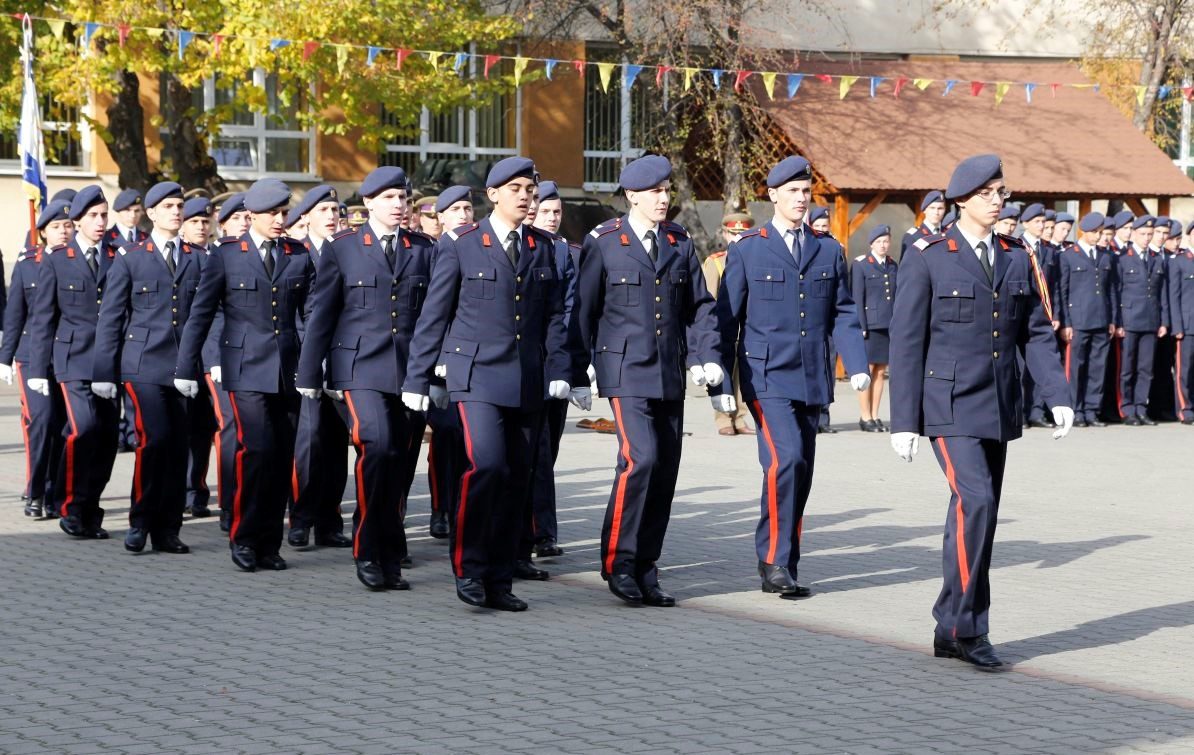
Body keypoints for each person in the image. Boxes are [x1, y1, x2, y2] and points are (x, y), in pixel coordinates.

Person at [889, 154, 1074, 670]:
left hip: (997, 404)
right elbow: (907, 342)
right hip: (946, 405)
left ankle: (950, 622)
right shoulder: (929, 254)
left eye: (1002, 192)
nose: (998, 201)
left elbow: (1035, 331)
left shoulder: (1017, 255)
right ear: (963, 201)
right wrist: (903, 420)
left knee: (975, 517)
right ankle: (970, 628)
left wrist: (1057, 394)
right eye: (989, 193)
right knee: (978, 502)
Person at [402, 157, 573, 611]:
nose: (524, 195)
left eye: (529, 188)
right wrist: (419, 375)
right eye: (514, 187)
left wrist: (561, 371)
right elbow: (435, 313)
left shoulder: (543, 247)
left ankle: (500, 578)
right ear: (492, 194)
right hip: (475, 376)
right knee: (488, 467)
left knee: (518, 478)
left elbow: (556, 317)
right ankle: (471, 568)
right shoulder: (462, 245)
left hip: (527, 380)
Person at [713, 155, 869, 598]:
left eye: (807, 192)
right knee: (788, 460)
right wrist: (721, 387)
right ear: (773, 195)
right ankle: (775, 561)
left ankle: (785, 560)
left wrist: (856, 364)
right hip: (765, 377)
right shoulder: (749, 249)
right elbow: (727, 322)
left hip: (812, 375)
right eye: (793, 192)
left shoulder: (828, 250)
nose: (802, 199)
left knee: (800, 471)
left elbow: (842, 311)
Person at [573, 155, 719, 608]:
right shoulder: (604, 242)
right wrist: (580, 369)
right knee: (641, 459)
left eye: (666, 190)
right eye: (654, 191)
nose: (663, 198)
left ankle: (646, 567)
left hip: (667, 372)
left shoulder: (677, 241)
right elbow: (583, 311)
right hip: (623, 371)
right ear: (632, 195)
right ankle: (619, 561)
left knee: (665, 469)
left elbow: (699, 307)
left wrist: (705, 355)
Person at [298, 168, 437, 590]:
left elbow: (435, 311)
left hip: (410, 370)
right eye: (390, 197)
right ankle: (368, 548)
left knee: (398, 460)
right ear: (369, 203)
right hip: (358, 368)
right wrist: (309, 371)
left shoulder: (423, 248)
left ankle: (390, 551)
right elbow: (323, 312)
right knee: (375, 447)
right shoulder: (344, 247)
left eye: (403, 197)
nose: (399, 205)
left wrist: (438, 369)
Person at [174, 178, 315, 572]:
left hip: (287, 369)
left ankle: (270, 543)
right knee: (256, 452)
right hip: (245, 368)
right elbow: (201, 314)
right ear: (251, 215)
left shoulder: (297, 253)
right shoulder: (226, 255)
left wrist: (317, 364)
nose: (280, 220)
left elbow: (313, 313)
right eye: (273, 213)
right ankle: (244, 536)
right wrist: (187, 366)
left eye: (284, 212)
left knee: (281, 456)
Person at [92, 181, 206, 555]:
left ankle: (167, 529)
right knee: (153, 440)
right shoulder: (130, 257)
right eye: (169, 206)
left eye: (180, 206)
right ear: (152, 213)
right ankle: (140, 521)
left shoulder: (198, 256)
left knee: (177, 447)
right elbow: (111, 318)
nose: (177, 212)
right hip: (141, 367)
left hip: (183, 368)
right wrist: (103, 373)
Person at [26, 186, 121, 539]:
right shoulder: (57, 259)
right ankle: (67, 506)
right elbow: (43, 317)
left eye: (104, 215)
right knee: (83, 429)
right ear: (77, 221)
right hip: (72, 360)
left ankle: (89, 509)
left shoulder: (117, 256)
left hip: (109, 361)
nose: (100, 222)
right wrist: (37, 369)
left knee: (108, 438)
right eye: (93, 216)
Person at [287, 185, 353, 552]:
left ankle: (329, 521)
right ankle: (301, 519)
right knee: (309, 443)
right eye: (324, 210)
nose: (331, 216)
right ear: (306, 216)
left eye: (335, 210)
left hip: (343, 359)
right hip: (307, 361)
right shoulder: (297, 254)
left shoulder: (348, 250)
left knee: (335, 445)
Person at [0, 199, 71, 519]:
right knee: (41, 421)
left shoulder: (80, 261)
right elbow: (15, 313)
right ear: (42, 232)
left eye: (68, 225)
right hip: (31, 355)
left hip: (68, 355)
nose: (63, 232)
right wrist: (5, 358)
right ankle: (36, 489)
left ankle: (57, 490)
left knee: (64, 424)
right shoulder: (29, 263)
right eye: (56, 227)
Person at [522, 180, 579, 567]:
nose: (552, 218)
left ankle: (538, 528)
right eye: (546, 211)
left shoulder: (566, 252)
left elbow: (574, 307)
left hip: (558, 363)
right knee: (534, 453)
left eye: (557, 212)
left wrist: (577, 363)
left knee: (549, 450)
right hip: (527, 365)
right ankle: (539, 533)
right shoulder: (523, 248)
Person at [423, 185, 474, 541]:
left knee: (468, 443)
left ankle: (461, 510)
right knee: (446, 437)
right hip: (441, 363)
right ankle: (441, 508)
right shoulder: (433, 250)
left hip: (471, 362)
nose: (463, 215)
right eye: (455, 209)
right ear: (440, 218)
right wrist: (434, 367)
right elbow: (433, 315)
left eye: (468, 208)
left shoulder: (478, 247)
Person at [1058, 212, 1117, 428]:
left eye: (1101, 232)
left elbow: (1111, 291)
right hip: (1079, 321)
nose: (1100, 236)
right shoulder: (1068, 255)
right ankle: (1075, 409)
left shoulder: (1105, 255)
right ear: (1085, 232)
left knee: (1097, 368)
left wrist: (1112, 319)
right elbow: (1062, 291)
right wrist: (1065, 321)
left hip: (1101, 320)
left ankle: (1092, 410)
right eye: (1096, 233)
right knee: (1076, 368)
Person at [179, 196, 218, 518]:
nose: (201, 227)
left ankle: (198, 491)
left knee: (205, 428)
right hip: (186, 354)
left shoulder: (217, 255)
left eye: (205, 221)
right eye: (194, 221)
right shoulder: (182, 258)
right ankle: (183, 490)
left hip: (214, 355)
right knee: (183, 427)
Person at [701, 212, 756, 437]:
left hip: (747, 327)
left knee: (744, 374)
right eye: (733, 234)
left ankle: (740, 416)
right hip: (723, 326)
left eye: (742, 234)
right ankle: (723, 417)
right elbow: (708, 298)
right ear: (725, 234)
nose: (737, 239)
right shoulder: (716, 262)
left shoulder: (754, 259)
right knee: (723, 370)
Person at [1116, 215, 1169, 425]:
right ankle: (1127, 409)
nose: (1147, 238)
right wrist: (1118, 322)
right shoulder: (1123, 258)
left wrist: (1163, 321)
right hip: (1129, 320)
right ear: (1134, 234)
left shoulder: (1156, 259)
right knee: (1128, 368)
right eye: (1143, 234)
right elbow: (1117, 292)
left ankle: (1141, 407)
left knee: (1146, 369)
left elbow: (1161, 293)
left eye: (1150, 234)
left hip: (1151, 320)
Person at [1018, 203, 1061, 429]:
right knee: (1022, 368)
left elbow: (1057, 287)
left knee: (1041, 367)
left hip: (1044, 315)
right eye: (1037, 222)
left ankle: (1036, 412)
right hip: (1023, 314)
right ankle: (1021, 412)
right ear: (1025, 224)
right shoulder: (1017, 247)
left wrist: (1057, 315)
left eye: (1043, 222)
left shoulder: (1048, 250)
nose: (1042, 225)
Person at [852, 224, 898, 432]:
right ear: (871, 243)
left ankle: (875, 415)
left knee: (880, 372)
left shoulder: (892, 265)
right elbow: (857, 297)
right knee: (867, 371)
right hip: (870, 325)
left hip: (887, 324)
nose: (883, 245)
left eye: (886, 241)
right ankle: (864, 416)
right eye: (879, 241)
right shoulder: (861, 264)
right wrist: (861, 325)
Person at [807, 206, 838, 434]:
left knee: (827, 369)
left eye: (824, 226)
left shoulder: (835, 248)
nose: (821, 229)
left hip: (829, 325)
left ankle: (824, 417)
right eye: (816, 226)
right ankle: (812, 415)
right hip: (812, 321)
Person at [1171, 223, 1194, 424]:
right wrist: (1177, 326)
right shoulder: (1180, 262)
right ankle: (1185, 409)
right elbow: (1174, 296)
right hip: (1188, 326)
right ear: (1189, 238)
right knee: (1184, 370)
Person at [902, 190, 946, 257]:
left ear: (944, 210)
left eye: (940, 208)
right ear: (924, 210)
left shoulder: (949, 232)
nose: (936, 212)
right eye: (932, 208)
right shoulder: (913, 236)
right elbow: (907, 266)